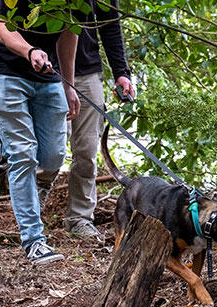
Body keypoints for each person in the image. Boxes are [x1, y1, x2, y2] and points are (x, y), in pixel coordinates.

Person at [0, 0, 79, 264]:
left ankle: (5, 142)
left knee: (53, 157)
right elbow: (1, 29)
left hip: (47, 75)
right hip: (2, 69)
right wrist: (30, 50)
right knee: (23, 154)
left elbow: (69, 35)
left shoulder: (81, 2)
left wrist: (69, 86)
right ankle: (34, 241)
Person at [64, 0, 135, 240]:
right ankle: (32, 218)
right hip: (45, 71)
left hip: (86, 70)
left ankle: (79, 218)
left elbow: (110, 25)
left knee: (86, 151)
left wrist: (121, 73)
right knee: (47, 152)